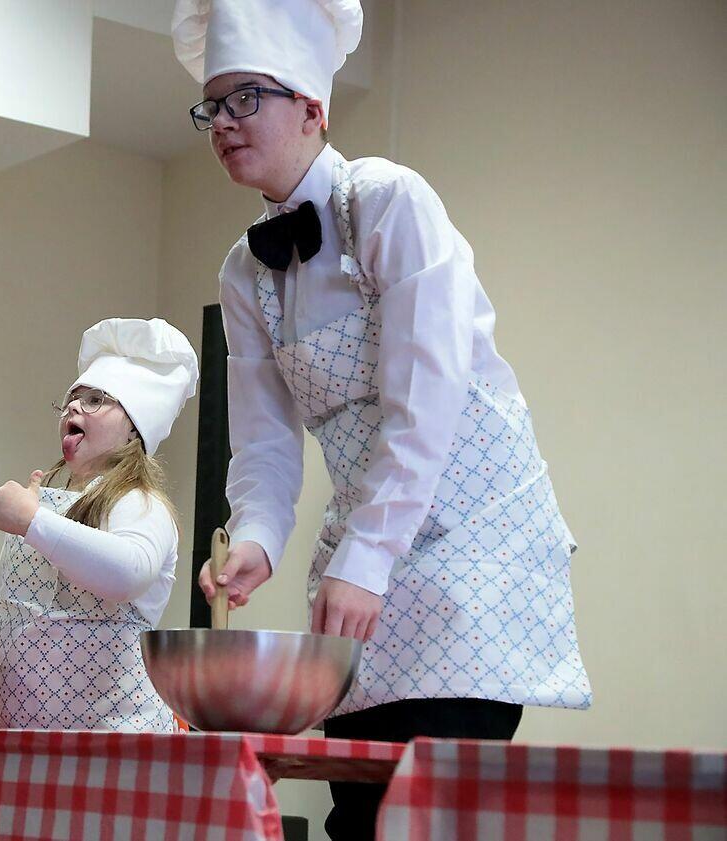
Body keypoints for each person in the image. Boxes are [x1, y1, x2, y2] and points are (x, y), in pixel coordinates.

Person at [171, 1, 592, 837]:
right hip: (370, 546)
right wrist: (255, 537)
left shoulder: (389, 201)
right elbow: (263, 440)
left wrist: (366, 555)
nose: (222, 122)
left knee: (436, 811)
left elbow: (426, 397)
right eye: (212, 105)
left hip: (471, 543)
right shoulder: (242, 273)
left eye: (246, 97)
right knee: (358, 809)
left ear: (312, 108)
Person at [0, 318, 199, 731]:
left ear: (133, 428)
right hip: (18, 737)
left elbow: (128, 573)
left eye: (95, 400)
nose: (73, 407)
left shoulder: (141, 503)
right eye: (72, 398)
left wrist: (31, 521)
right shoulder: (45, 503)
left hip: (113, 740)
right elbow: (16, 604)